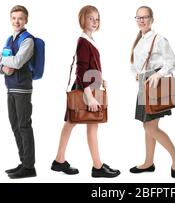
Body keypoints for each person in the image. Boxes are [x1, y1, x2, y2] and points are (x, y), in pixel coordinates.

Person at [51, 5, 120, 178]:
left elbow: (89, 67)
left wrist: (100, 78)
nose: (95, 22)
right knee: (82, 124)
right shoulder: (83, 40)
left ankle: (60, 161)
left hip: (90, 87)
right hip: (85, 90)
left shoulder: (89, 39)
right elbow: (80, 71)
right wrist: (89, 97)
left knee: (73, 123)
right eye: (91, 18)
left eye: (97, 19)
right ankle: (96, 167)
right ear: (83, 19)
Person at [130, 6, 175, 178]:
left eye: (145, 17)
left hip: (155, 83)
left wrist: (159, 74)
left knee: (150, 127)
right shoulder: (140, 39)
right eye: (138, 17)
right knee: (148, 127)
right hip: (144, 83)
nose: (141, 20)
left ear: (152, 19)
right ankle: (148, 162)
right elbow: (137, 64)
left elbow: (173, 62)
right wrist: (137, 75)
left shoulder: (159, 39)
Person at [0, 5, 37, 179]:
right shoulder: (9, 39)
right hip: (10, 88)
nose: (17, 21)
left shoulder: (28, 40)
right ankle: (23, 162)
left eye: (20, 18)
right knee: (15, 126)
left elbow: (19, 61)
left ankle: (29, 167)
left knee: (24, 126)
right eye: (14, 18)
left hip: (22, 88)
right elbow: (0, 63)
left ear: (26, 20)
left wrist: (4, 61)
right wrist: (3, 67)